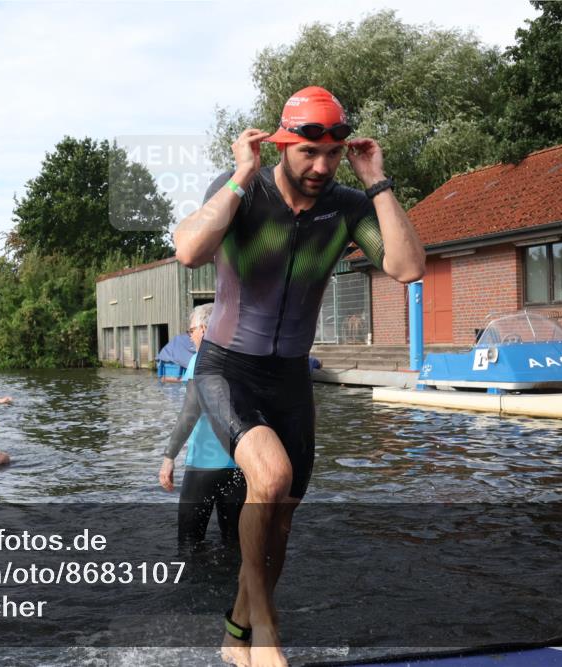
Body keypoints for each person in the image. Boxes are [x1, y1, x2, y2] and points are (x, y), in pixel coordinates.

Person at [173, 86, 424, 667]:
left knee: (280, 516)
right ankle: (267, 637)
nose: (321, 167)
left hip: (288, 379)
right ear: (284, 144)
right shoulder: (246, 192)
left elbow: (408, 267)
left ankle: (236, 637)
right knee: (271, 476)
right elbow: (188, 250)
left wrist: (375, 180)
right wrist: (240, 174)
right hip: (227, 367)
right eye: (309, 153)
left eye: (333, 155)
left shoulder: (346, 207)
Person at [159, 304, 246, 547]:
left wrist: (169, 457)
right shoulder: (240, 360)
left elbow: (189, 414)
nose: (190, 337)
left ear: (205, 330)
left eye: (191, 330)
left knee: (189, 544)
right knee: (235, 544)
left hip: (204, 466)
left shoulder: (200, 360)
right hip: (240, 465)